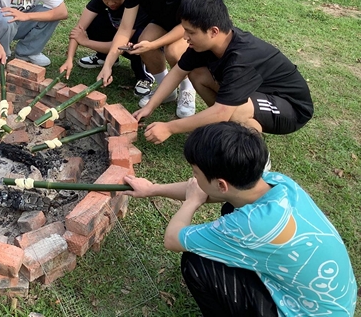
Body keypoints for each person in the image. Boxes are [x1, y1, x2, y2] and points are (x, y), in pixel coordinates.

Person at [124, 122, 357, 317]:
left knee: (197, 264)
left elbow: (173, 239)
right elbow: (208, 190)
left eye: (195, 173)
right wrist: (152, 189)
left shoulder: (249, 226)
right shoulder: (279, 183)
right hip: (330, 305)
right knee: (230, 207)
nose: (193, 179)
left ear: (221, 184)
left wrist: (191, 202)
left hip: (302, 312)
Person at [133, 0, 314, 144]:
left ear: (214, 31)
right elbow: (178, 72)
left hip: (290, 107)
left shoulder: (241, 59)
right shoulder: (203, 45)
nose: (185, 37)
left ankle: (255, 155)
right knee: (198, 74)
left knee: (235, 111)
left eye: (190, 32)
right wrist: (150, 106)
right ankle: (226, 131)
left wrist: (169, 128)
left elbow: (221, 112)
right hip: (256, 93)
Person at [97, 0, 217, 118]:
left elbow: (186, 26)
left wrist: (154, 45)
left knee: (173, 51)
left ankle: (187, 89)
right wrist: (108, 65)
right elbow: (125, 29)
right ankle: (166, 90)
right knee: (143, 40)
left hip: (198, 24)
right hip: (168, 19)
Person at [59, 0, 154, 96]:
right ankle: (104, 58)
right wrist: (69, 59)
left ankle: (145, 76)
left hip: (136, 41)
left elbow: (121, 45)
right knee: (94, 20)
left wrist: (85, 42)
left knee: (138, 39)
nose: (110, 2)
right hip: (119, 36)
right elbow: (79, 29)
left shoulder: (136, 2)